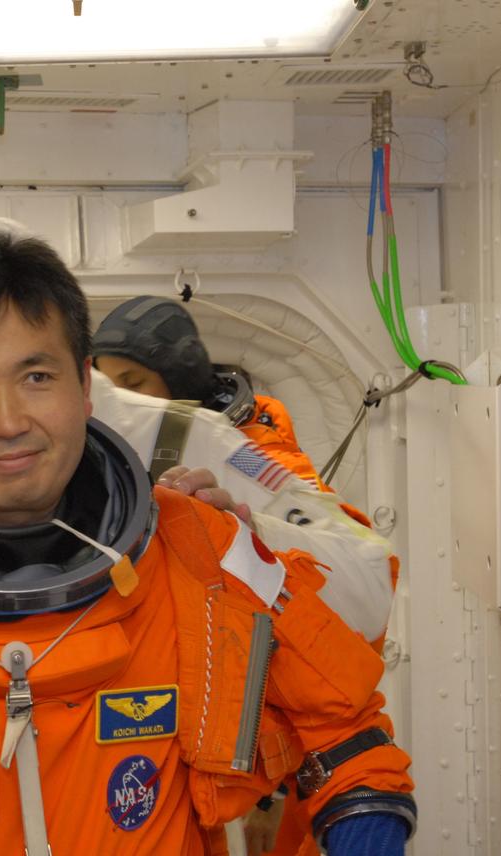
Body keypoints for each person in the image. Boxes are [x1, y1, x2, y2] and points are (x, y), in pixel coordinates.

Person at [0, 230, 416, 855]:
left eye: (37, 376)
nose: (9, 421)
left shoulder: (200, 550)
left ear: (85, 390)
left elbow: (352, 744)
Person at [95, 296, 392, 856]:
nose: (123, 399)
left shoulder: (242, 450)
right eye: (109, 383)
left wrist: (244, 532)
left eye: (133, 381)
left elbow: (367, 573)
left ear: (175, 378)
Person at [94, 295, 328, 490]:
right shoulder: (121, 454)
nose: (122, 401)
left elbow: (329, 537)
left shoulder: (253, 456)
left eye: (134, 383)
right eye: (111, 389)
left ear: (181, 380)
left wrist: (242, 522)